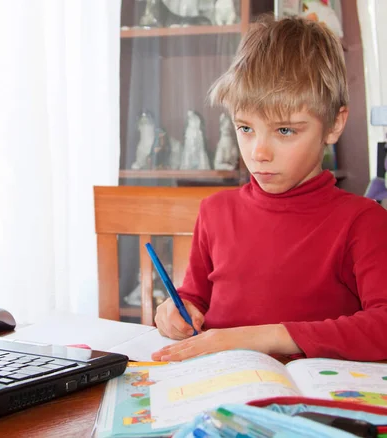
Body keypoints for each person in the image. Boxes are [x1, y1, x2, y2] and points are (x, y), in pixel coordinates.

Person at [152, 16, 387, 363]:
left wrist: (269, 336)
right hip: (217, 391)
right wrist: (175, 311)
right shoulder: (215, 212)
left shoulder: (363, 221)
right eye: (245, 128)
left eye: (286, 131)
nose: (259, 152)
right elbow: (194, 299)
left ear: (334, 124)